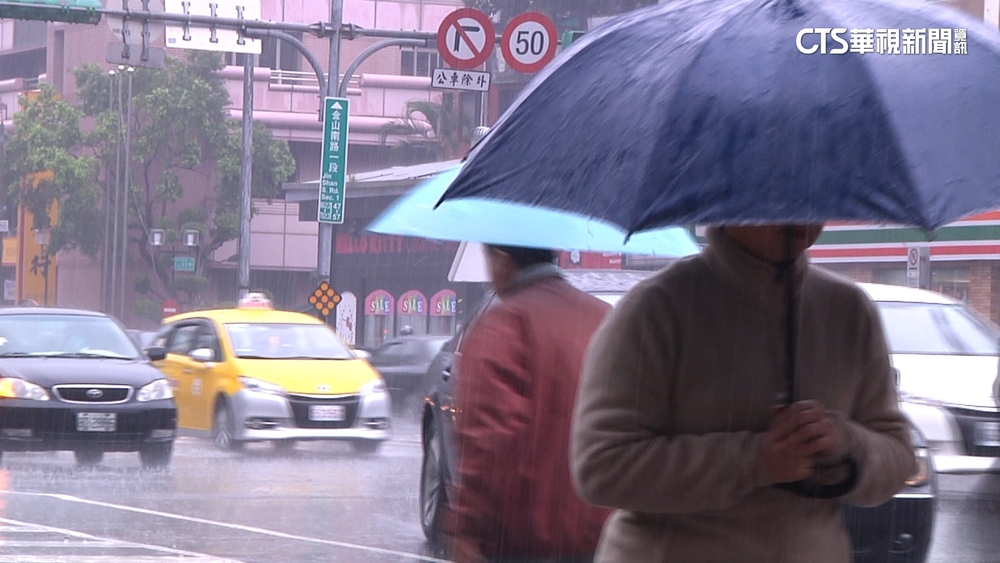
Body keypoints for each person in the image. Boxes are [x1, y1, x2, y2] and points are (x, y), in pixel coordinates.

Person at [571, 225, 917, 562]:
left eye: (813, 200)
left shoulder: (849, 309)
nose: (798, 215)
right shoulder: (655, 307)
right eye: (778, 198)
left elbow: (898, 456)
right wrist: (755, 460)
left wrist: (843, 443)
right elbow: (602, 467)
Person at [445, 244, 614, 563]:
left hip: (526, 541)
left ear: (503, 262)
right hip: (603, 534)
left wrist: (466, 527)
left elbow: (487, 440)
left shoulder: (504, 325)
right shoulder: (604, 318)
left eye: (488, 260)